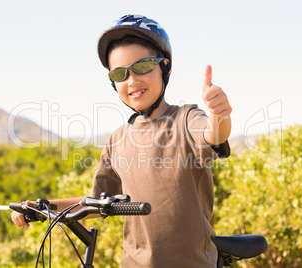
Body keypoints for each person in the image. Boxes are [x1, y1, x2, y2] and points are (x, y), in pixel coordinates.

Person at [12, 14, 232, 267]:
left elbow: (213, 134)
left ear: (165, 68)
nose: (132, 81)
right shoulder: (117, 140)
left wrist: (219, 114)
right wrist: (41, 207)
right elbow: (94, 203)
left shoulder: (186, 118)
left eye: (142, 67)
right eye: (120, 74)